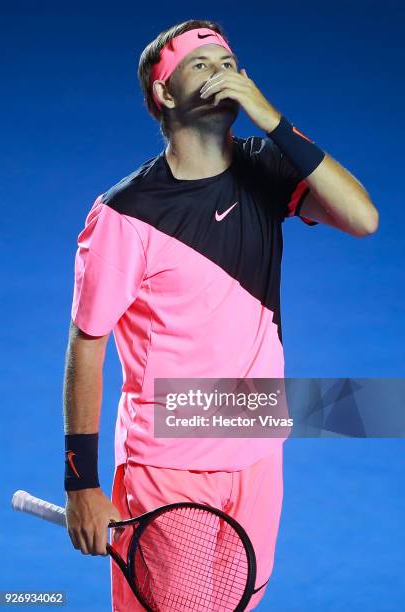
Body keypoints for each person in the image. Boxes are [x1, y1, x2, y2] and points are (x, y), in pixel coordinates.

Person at [62, 19, 379, 611]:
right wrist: (81, 480)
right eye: (202, 64)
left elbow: (362, 218)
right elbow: (87, 344)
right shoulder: (123, 215)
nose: (223, 73)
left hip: (258, 443)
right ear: (165, 94)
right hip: (169, 464)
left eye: (230, 63)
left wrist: (275, 122)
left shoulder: (268, 166)